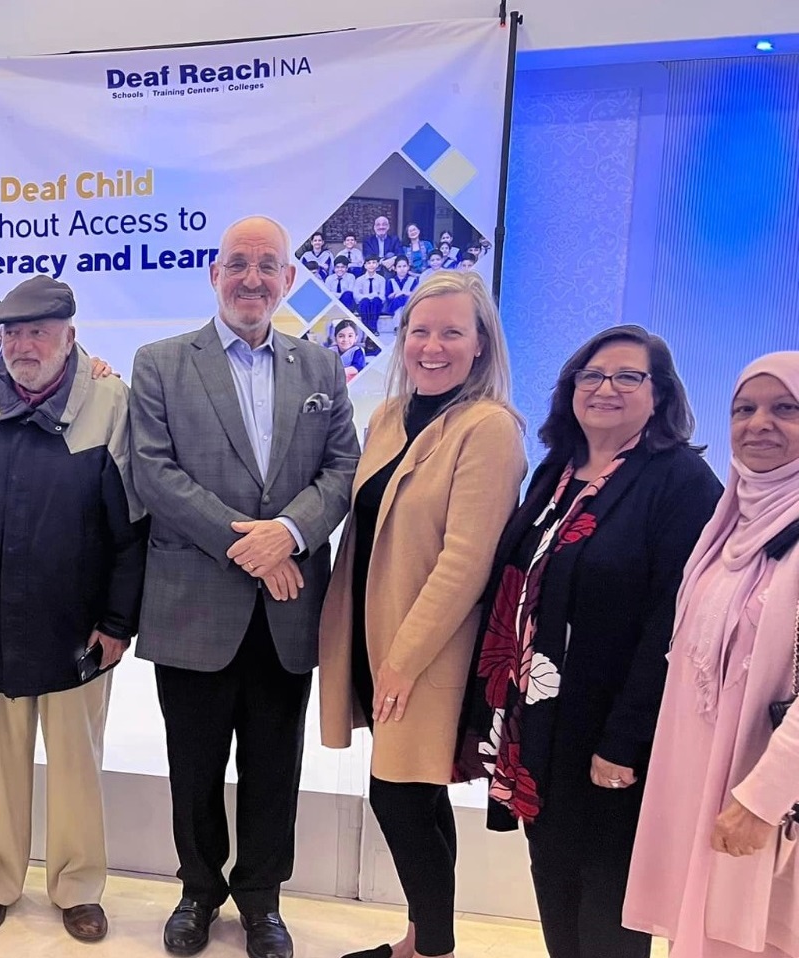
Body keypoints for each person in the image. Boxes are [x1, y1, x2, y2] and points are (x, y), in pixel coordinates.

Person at [130, 215, 360, 958]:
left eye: (268, 265)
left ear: (289, 279)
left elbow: (342, 471)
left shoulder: (322, 370)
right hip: (194, 605)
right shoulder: (160, 362)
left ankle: (262, 900)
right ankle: (199, 891)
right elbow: (154, 474)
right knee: (192, 765)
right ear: (213, 273)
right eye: (238, 264)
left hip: (287, 613)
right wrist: (252, 545)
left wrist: (287, 534)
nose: (252, 278)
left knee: (274, 766)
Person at [455, 325, 721, 958]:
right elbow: (515, 596)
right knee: (554, 883)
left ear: (660, 395)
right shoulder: (558, 471)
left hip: (610, 739)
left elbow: (674, 626)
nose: (606, 388)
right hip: (540, 730)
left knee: (606, 906)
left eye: (629, 377)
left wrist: (625, 741)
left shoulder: (681, 480)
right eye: (592, 375)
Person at [319, 270, 527, 958]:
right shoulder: (388, 415)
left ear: (480, 346)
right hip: (375, 635)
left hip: (431, 649)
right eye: (420, 331)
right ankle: (423, 938)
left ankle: (431, 947)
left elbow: (466, 562)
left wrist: (403, 663)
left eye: (451, 333)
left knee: (401, 796)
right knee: (416, 796)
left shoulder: (489, 429)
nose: (432, 347)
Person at [0, 275, 147, 944]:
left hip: (77, 629)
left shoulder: (111, 404)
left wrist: (118, 622)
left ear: (69, 337)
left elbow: (133, 528)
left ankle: (77, 886)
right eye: (12, 333)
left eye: (39, 332)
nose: (24, 345)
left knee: (76, 765)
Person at [625, 352, 799, 958]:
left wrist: (761, 800)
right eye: (744, 409)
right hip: (707, 790)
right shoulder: (731, 527)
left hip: (769, 804)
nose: (760, 424)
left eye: (786, 409)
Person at [356, 256, 387, 329]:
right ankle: (367, 328)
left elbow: (382, 297)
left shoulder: (381, 279)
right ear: (365, 266)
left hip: (376, 304)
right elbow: (356, 296)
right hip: (363, 304)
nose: (371, 265)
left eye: (374, 263)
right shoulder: (359, 280)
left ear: (377, 265)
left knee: (376, 300)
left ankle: (373, 328)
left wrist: (373, 297)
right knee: (365, 301)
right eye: (369, 263)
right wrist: (370, 296)